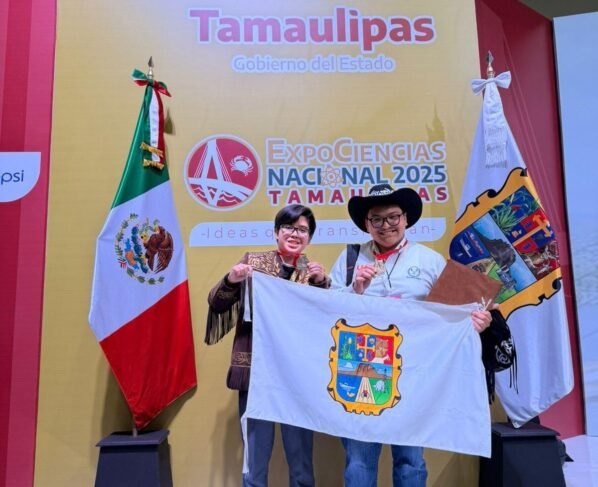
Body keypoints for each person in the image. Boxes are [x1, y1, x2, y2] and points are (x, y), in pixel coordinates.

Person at [329, 184, 492, 487]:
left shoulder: (429, 260)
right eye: (377, 219)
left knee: (411, 461)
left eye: (393, 217)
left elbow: (454, 312)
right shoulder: (351, 258)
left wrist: (475, 322)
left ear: (405, 219)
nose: (385, 225)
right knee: (359, 461)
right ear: (367, 224)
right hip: (361, 369)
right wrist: (355, 290)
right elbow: (327, 312)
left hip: (414, 371)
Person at [205, 204, 330, 487]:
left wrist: (323, 285)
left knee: (301, 460)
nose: (295, 234)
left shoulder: (312, 273)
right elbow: (216, 302)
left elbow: (324, 323)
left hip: (295, 377)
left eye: (303, 230)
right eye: (289, 227)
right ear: (276, 232)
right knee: (255, 459)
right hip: (255, 374)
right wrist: (231, 279)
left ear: (309, 237)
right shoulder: (252, 263)